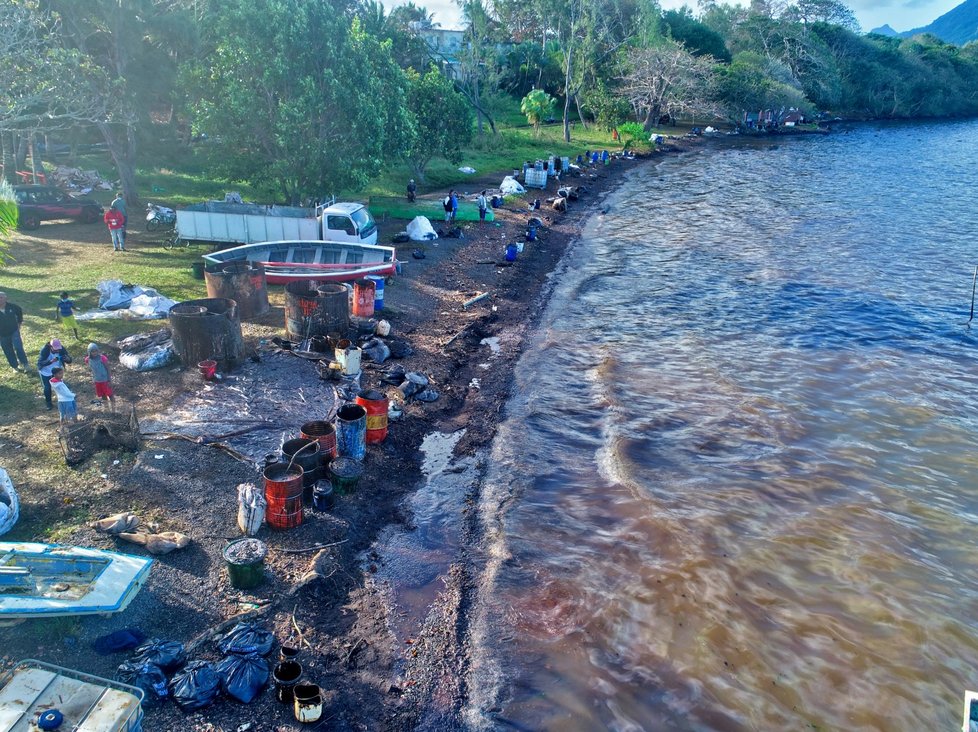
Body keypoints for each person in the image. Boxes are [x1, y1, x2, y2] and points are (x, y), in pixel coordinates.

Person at [37, 338, 72, 411]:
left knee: (60, 385)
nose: (57, 351)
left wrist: (67, 359)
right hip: (45, 372)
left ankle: (65, 399)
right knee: (47, 388)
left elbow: (69, 360)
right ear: (50, 346)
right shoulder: (45, 350)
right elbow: (40, 363)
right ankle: (48, 403)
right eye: (56, 350)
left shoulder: (61, 349)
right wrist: (50, 361)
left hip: (56, 371)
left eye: (58, 349)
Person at [0, 291, 30, 372]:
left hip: (14, 332)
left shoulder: (12, 307)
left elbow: (19, 312)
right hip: (2, 335)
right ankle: (15, 366)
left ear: (5, 298)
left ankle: (25, 364)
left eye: (1, 297)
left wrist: (19, 323)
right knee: (8, 350)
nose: (0, 299)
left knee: (18, 347)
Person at [85, 343, 115, 411]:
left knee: (110, 394)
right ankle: (106, 408)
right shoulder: (88, 359)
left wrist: (109, 380)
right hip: (97, 380)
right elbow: (91, 367)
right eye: (92, 351)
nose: (95, 353)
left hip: (105, 380)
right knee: (103, 395)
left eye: (96, 351)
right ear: (89, 352)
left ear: (98, 351)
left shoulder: (102, 358)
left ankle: (114, 409)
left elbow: (108, 369)